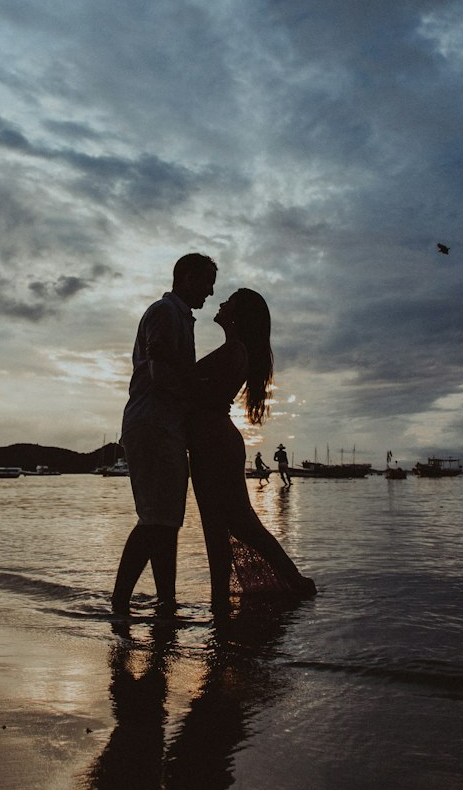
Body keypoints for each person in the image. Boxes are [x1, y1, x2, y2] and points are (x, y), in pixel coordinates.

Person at [188, 289, 316, 612]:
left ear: (238, 314)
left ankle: (232, 600)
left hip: (214, 443)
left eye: (228, 301)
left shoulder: (234, 351)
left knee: (230, 525)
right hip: (212, 442)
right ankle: (226, 601)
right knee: (228, 525)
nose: (220, 303)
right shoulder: (234, 349)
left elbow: (204, 396)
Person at [110, 253, 217, 613]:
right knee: (156, 518)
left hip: (164, 425)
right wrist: (201, 394)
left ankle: (166, 600)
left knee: (166, 521)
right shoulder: (164, 313)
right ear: (187, 277)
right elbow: (161, 374)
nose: (211, 291)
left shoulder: (180, 318)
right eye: (207, 281)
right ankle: (120, 603)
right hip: (152, 424)